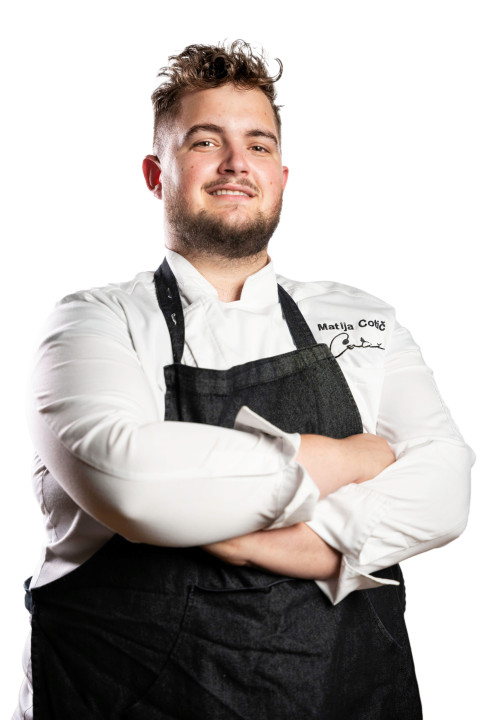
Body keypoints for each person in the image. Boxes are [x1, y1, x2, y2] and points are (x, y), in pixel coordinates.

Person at [14, 40, 473, 720]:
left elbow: (445, 489)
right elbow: (127, 479)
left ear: (281, 176)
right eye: (206, 141)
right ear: (155, 173)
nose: (236, 162)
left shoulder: (362, 319)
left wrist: (267, 541)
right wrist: (343, 460)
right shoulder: (93, 321)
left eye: (258, 145)